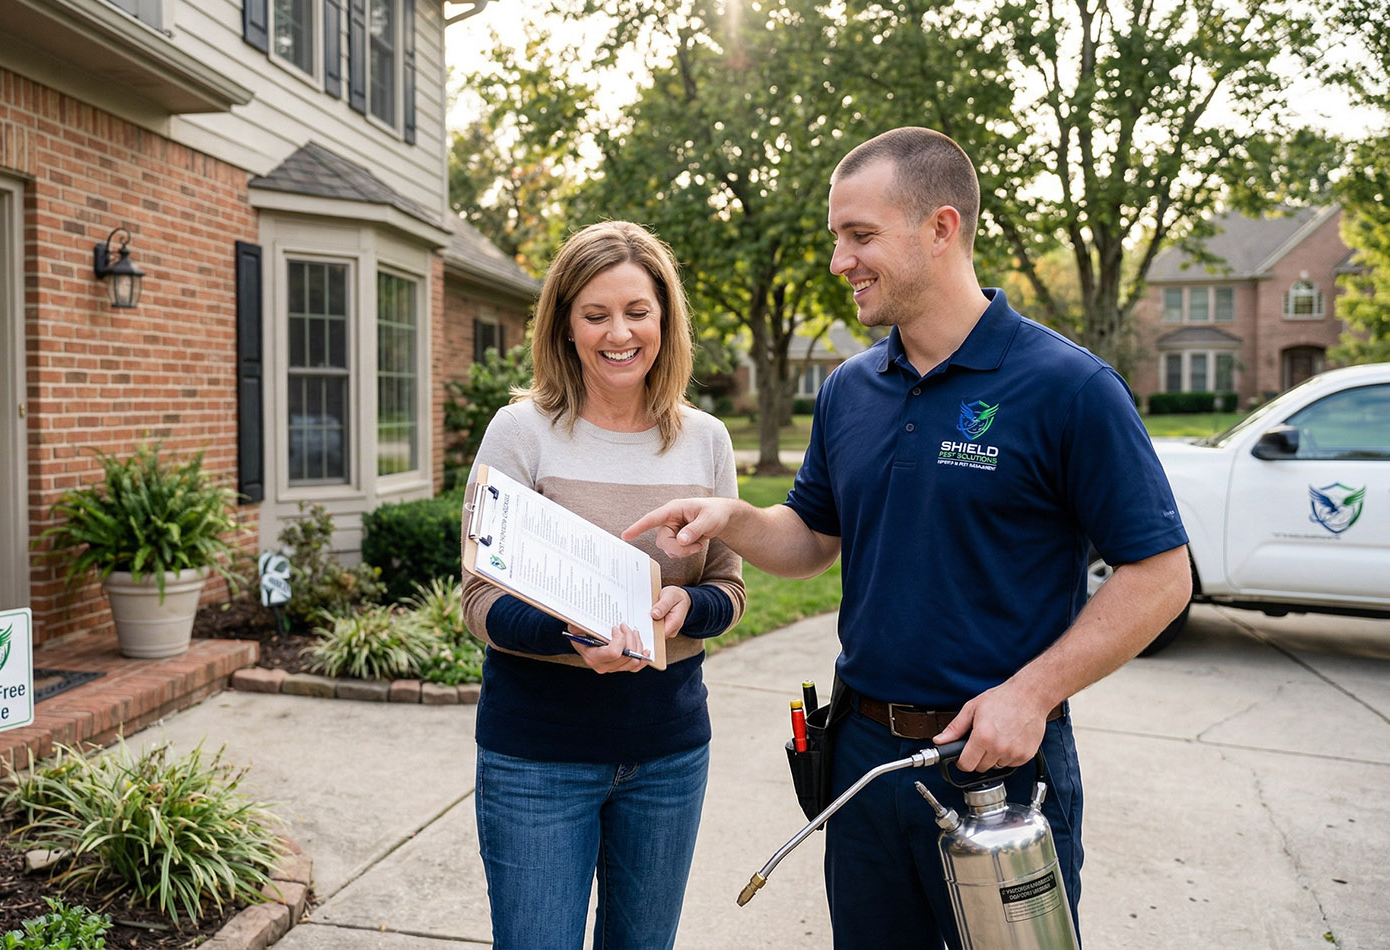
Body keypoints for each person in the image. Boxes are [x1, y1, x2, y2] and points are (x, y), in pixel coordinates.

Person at [624, 127, 1192, 948]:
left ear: (941, 228)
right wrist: (738, 520)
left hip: (1003, 772)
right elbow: (813, 538)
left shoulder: (1069, 388)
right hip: (862, 764)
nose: (838, 260)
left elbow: (1159, 573)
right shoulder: (852, 389)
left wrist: (1030, 695)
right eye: (835, 239)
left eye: (860, 236)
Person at [462, 220, 746, 950]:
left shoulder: (706, 439)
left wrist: (686, 610)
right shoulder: (520, 433)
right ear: (565, 326)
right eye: (595, 315)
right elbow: (478, 603)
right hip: (537, 757)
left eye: (636, 312)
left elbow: (729, 590)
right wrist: (570, 631)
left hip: (668, 754)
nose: (618, 333)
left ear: (664, 319)